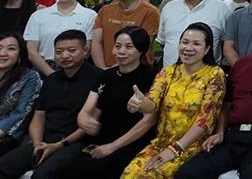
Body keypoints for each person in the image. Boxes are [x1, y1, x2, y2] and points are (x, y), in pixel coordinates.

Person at [174, 14, 252, 179]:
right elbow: (227, 104)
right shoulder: (241, 64)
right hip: (233, 137)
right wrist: (220, 132)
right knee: (187, 173)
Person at [122, 23, 226, 178]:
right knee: (130, 173)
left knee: (153, 175)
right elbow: (152, 104)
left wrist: (176, 149)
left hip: (192, 147)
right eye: (185, 42)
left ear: (207, 49)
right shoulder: (168, 72)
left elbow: (206, 120)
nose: (188, 48)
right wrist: (140, 104)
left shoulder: (215, 74)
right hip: (161, 144)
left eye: (196, 44)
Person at [0, 30, 101, 179]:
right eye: (59, 51)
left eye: (71, 50)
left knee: (42, 175)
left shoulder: (99, 78)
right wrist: (37, 143)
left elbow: (89, 123)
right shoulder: (51, 80)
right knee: (3, 166)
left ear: (85, 50)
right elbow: (39, 116)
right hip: (45, 141)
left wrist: (58, 145)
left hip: (76, 143)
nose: (65, 55)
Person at [66, 27, 157, 177]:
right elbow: (87, 108)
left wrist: (112, 147)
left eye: (129, 47)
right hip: (103, 138)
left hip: (132, 142)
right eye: (117, 46)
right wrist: (83, 119)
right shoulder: (105, 75)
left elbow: (149, 121)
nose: (121, 51)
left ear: (141, 50)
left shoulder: (152, 77)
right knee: (70, 169)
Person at [156, 0, 229, 67]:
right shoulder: (169, 7)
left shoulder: (221, 9)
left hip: (206, 75)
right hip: (170, 74)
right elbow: (163, 42)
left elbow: (226, 44)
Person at [24, 0, 97, 76]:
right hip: (42, 70)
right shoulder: (38, 15)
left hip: (76, 71)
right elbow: (31, 52)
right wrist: (51, 75)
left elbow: (87, 50)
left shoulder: (90, 15)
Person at [92, 0, 160, 68]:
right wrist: (102, 69)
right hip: (104, 70)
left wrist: (112, 70)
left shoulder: (150, 12)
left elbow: (141, 47)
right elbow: (96, 42)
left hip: (137, 72)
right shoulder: (105, 10)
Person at [0, 31, 41, 157]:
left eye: (11, 49)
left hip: (6, 135)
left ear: (20, 55)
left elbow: (21, 113)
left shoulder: (30, 77)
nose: (3, 53)